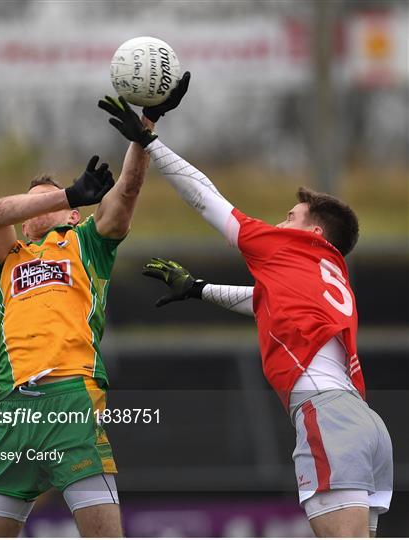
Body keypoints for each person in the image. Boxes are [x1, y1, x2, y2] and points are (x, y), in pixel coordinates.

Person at [100, 98, 393, 537]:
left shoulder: (288, 248)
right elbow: (261, 300)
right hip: (365, 424)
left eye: (290, 217)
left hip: (328, 415)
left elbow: (205, 198)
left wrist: (149, 143)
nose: (279, 222)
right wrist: (200, 289)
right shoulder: (330, 272)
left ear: (314, 233)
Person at [0, 77, 190, 538]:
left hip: (70, 400)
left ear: (73, 217)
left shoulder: (86, 243)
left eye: (45, 201)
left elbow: (126, 193)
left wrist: (145, 128)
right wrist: (68, 191)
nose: (33, 208)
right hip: (11, 410)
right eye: (28, 203)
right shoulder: (6, 259)